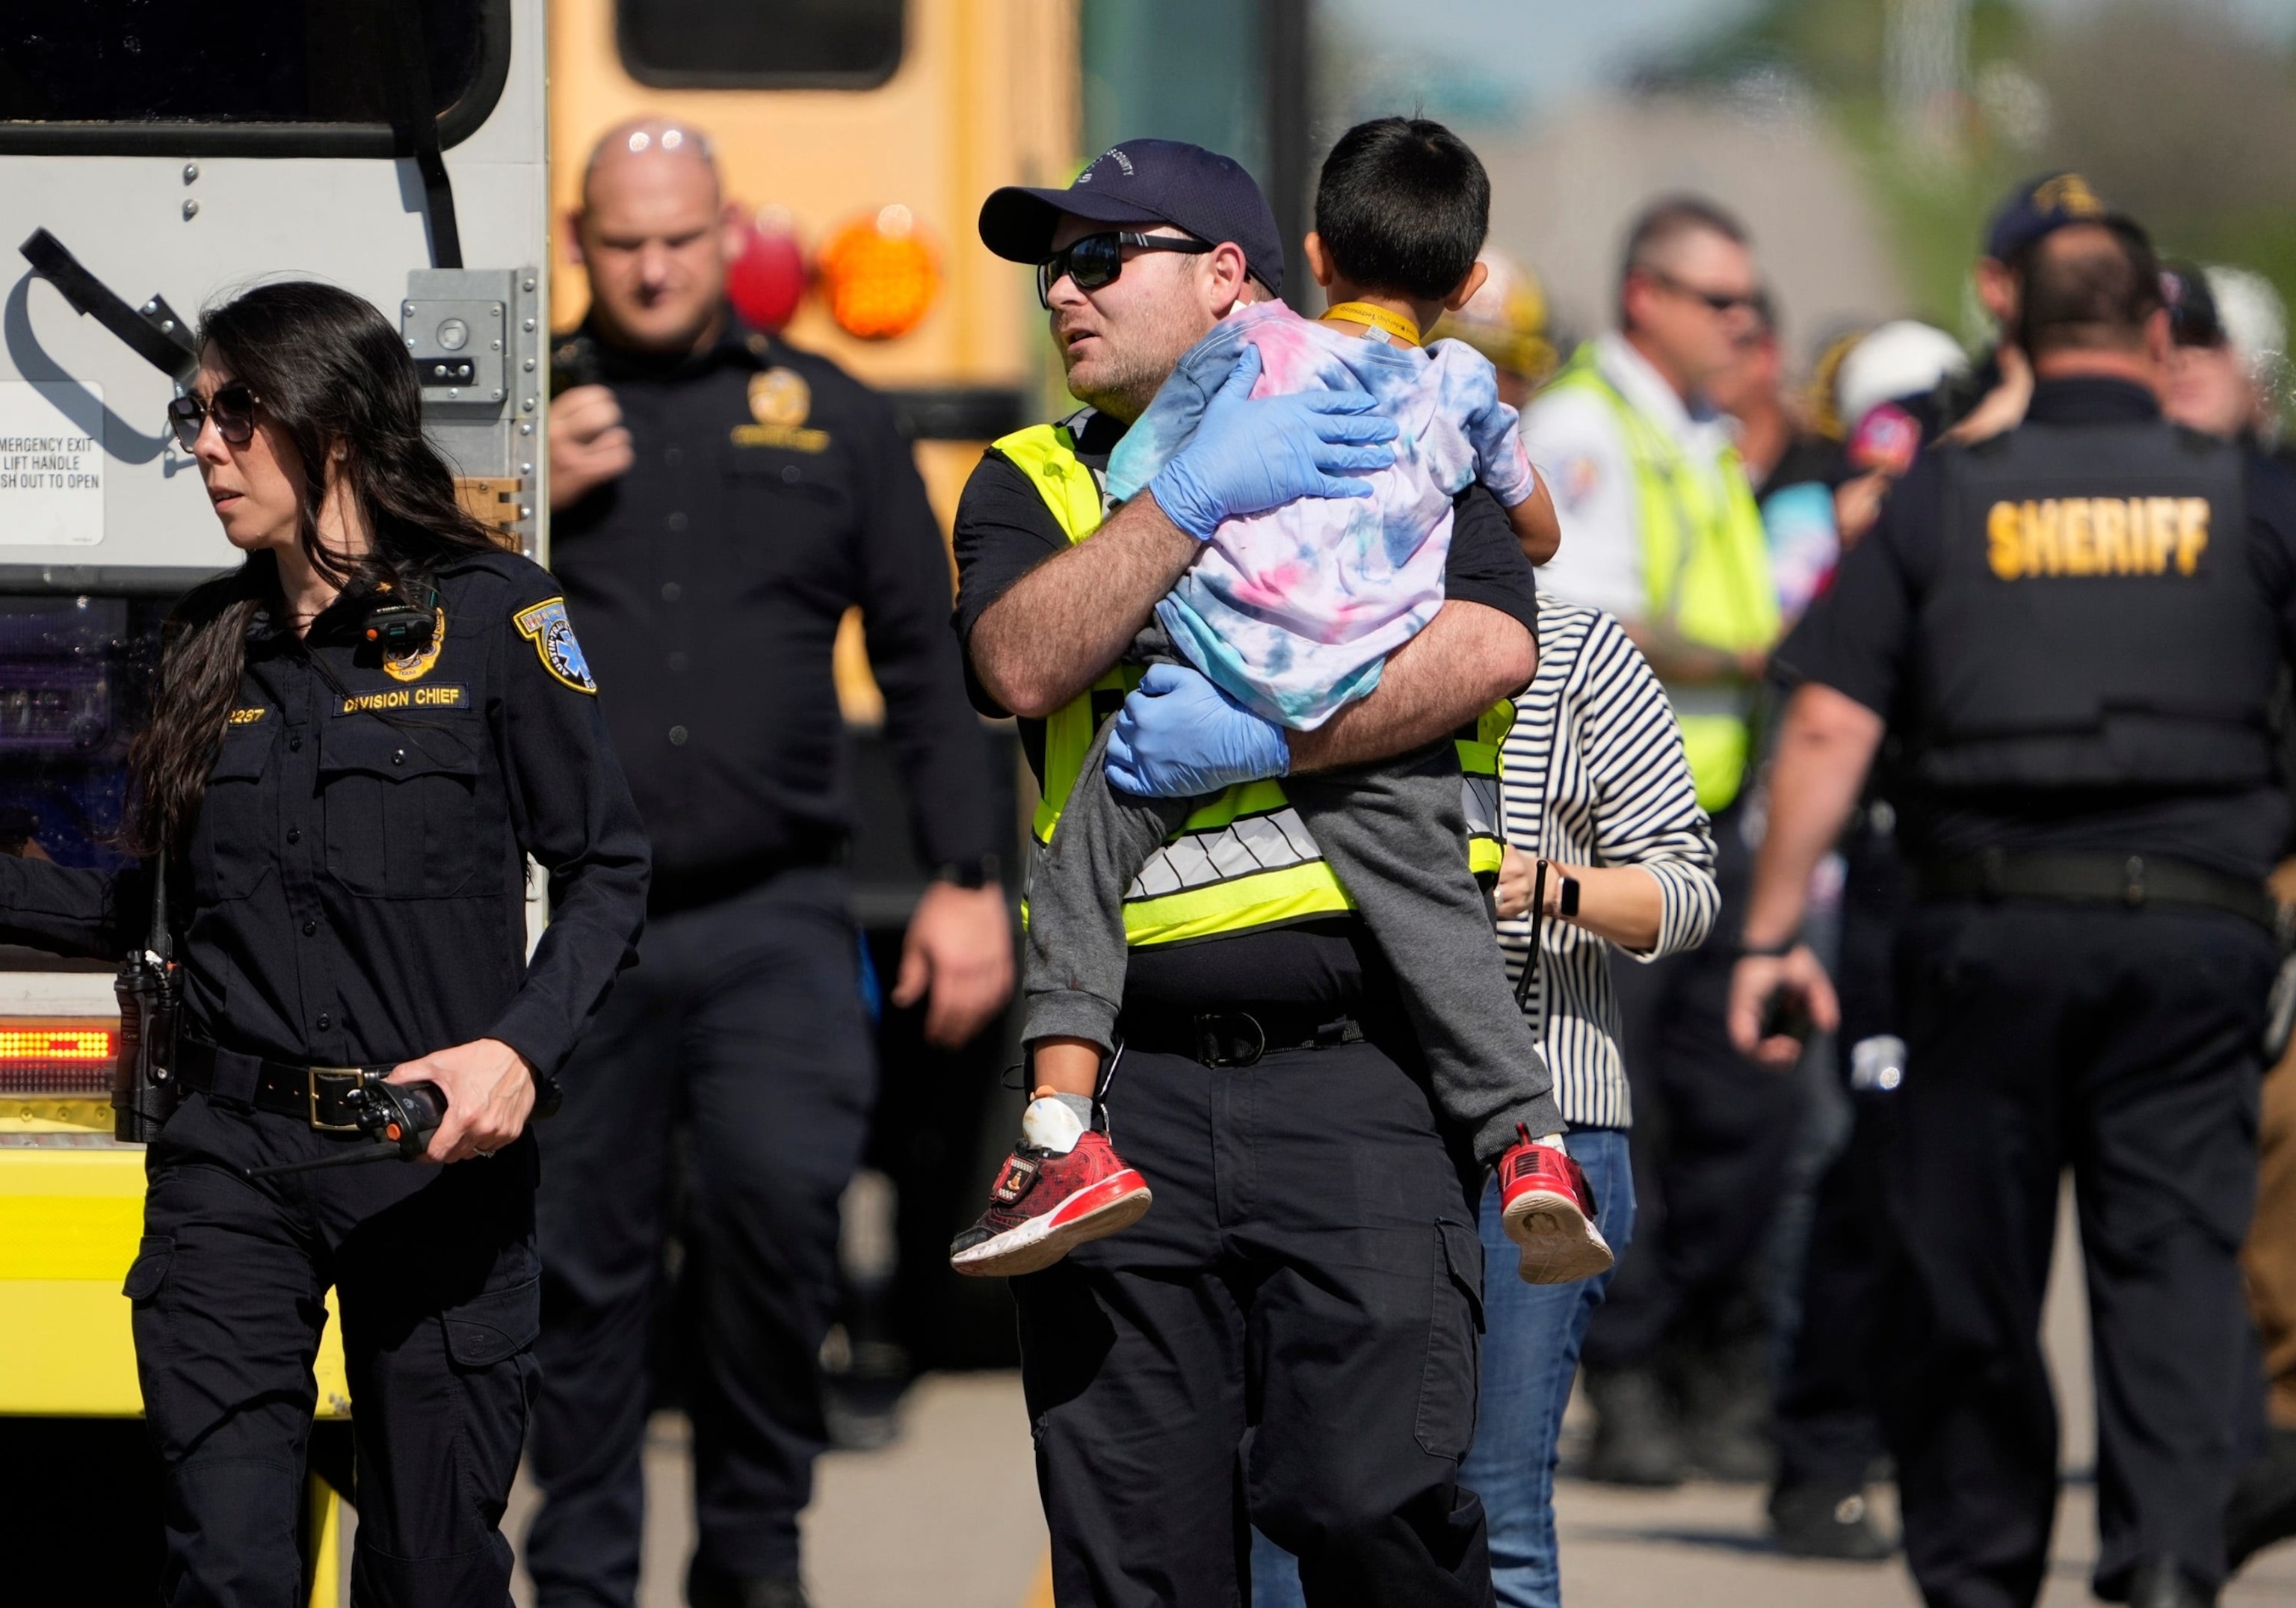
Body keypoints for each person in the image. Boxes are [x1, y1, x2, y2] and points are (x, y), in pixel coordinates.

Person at [957, 136, 1546, 1604]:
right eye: (1049, 269)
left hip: (1360, 1080)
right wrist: (1192, 499)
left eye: (1103, 256)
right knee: (1134, 1556)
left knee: (1367, 1509)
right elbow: (1023, 660)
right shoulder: (1033, 476)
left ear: (1229, 277)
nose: (1064, 293)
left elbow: (1488, 642)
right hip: (1120, 1101)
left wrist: (1246, 712)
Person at [0, 281, 650, 1604]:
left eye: (238, 410)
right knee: (228, 1566)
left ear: (333, 424)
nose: (203, 443)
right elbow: (150, 905)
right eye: (196, 412)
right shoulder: (204, 641)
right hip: (228, 1165)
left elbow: (606, 869)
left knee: (429, 1569)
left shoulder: (499, 615)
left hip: (431, 1165)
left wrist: (520, 1056)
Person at [1731, 214, 2296, 1608]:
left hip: (1983, 938)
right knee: (2169, 1265)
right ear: (2160, 338)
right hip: (2198, 941)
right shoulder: (2252, 496)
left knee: (1970, 1270)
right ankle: (2167, 1560)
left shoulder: (1941, 497)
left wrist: (1768, 934)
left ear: (2022, 340)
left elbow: (1823, 731)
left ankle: (1983, 1574)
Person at [527, 119, 1013, 1608]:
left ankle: (756, 1563)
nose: (657, 266)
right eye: (625, 241)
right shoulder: (519, 420)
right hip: (577, 933)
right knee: (581, 1281)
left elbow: (931, 665)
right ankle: (586, 1578)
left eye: (682, 237)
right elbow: (410, 603)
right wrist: (513, 495)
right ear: (579, 239)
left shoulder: (835, 416)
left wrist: (967, 876)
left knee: (777, 1232)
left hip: (775, 920)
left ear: (724, 232)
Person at [1519, 194, 1794, 1485]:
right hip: (1618, 831)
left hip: (1709, 816)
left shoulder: (1691, 431)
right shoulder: (1586, 428)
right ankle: (1626, 1384)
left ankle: (1696, 1368)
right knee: (1626, 1121)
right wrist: (1761, 657)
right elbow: (1589, 626)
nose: (1742, 322)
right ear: (1648, 299)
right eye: (1718, 300)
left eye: (1747, 302)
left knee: (1735, 1108)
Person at [2157, 258, 2296, 1575]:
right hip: (2144, 891)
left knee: (2269, 1176)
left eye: (2198, 347)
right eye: (2159, 341)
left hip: (2271, 871)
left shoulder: (2277, 507)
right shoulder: (2105, 498)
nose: (2174, 364)